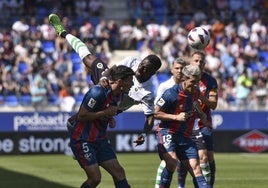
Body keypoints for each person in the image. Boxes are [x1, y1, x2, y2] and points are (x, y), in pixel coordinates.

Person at [48, 13, 162, 146]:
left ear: (152, 73)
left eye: (144, 69)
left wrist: (143, 134)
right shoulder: (133, 61)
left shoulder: (147, 93)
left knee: (73, 122)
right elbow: (112, 70)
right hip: (107, 85)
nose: (139, 68)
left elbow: (149, 118)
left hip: (111, 107)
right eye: (142, 64)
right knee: (90, 58)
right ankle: (63, 32)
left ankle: (79, 140)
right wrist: (103, 77)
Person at [68, 65, 135, 188]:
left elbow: (105, 109)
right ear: (120, 81)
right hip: (83, 139)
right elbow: (81, 116)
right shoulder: (97, 92)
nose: (132, 84)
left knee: (119, 172)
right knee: (95, 178)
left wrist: (109, 118)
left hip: (100, 140)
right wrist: (106, 113)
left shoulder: (119, 95)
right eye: (130, 80)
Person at [154, 64, 211, 188]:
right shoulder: (171, 94)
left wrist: (202, 116)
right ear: (184, 79)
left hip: (184, 135)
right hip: (167, 131)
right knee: (172, 161)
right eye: (192, 82)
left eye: (197, 82)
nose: (195, 85)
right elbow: (156, 113)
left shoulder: (195, 92)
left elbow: (195, 103)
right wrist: (176, 117)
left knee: (196, 167)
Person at [178, 51, 218, 188]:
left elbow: (213, 105)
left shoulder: (211, 81)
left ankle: (209, 185)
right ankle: (181, 185)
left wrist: (200, 96)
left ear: (205, 63)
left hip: (203, 123)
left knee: (208, 157)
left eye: (201, 61)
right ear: (191, 62)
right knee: (183, 158)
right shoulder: (184, 79)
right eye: (196, 60)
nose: (199, 63)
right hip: (185, 123)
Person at [154, 57, 186, 187]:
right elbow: (156, 110)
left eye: (182, 68)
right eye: (177, 68)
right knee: (170, 160)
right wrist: (175, 117)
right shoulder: (165, 87)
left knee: (183, 161)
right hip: (167, 128)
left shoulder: (189, 86)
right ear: (172, 70)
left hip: (183, 129)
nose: (179, 71)